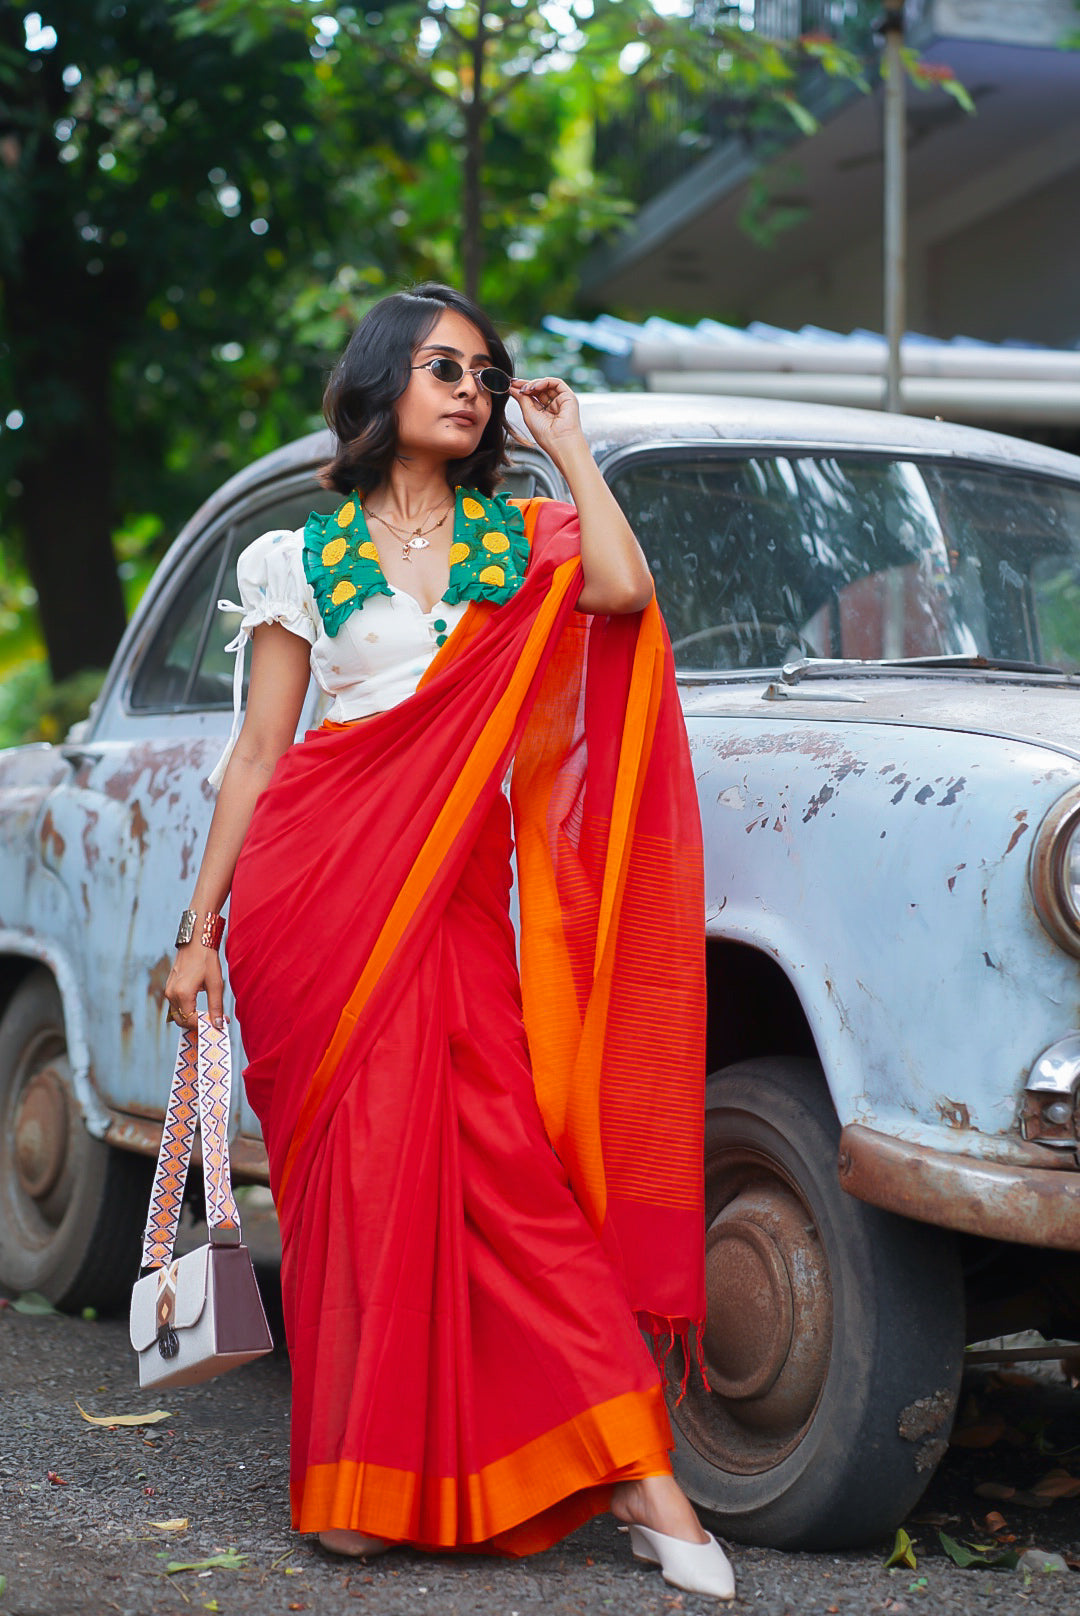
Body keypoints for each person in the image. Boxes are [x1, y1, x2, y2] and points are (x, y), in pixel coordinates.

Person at [164, 282, 734, 1600]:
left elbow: (625, 590)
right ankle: (367, 1471)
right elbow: (259, 757)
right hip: (318, 897)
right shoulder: (296, 559)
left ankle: (645, 1477)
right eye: (443, 365)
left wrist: (571, 446)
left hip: (460, 899)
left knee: (512, 1185)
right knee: (359, 1189)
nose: (471, 386)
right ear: (382, 382)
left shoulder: (521, 536)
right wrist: (198, 935)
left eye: (486, 370)